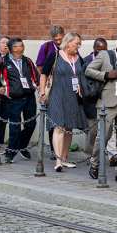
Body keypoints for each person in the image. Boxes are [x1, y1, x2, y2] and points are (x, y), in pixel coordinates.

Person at [85, 32, 117, 181]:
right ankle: (94, 164)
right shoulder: (105, 55)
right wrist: (107, 74)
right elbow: (89, 70)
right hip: (107, 102)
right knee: (103, 136)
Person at [39, 32, 89, 171]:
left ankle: (64, 159)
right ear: (68, 42)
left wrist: (80, 84)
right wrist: (42, 93)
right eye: (76, 43)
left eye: (79, 44)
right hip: (57, 95)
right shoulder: (54, 56)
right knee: (59, 127)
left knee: (68, 128)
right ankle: (58, 161)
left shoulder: (79, 59)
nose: (78, 46)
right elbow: (43, 74)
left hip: (73, 97)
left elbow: (82, 76)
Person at [0, 37, 39, 163]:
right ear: (14, 48)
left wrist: (39, 88)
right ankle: (10, 154)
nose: (23, 47)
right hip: (14, 99)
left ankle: (21, 145)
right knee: (15, 127)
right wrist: (0, 88)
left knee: (31, 124)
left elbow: (36, 77)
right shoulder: (3, 62)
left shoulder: (27, 61)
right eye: (21, 45)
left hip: (29, 97)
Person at [37, 25, 66, 160]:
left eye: (60, 39)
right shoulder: (46, 47)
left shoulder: (68, 46)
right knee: (52, 118)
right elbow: (39, 66)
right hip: (51, 86)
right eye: (56, 40)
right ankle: (54, 150)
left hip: (64, 87)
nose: (59, 42)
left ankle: (62, 150)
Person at [81, 38, 107, 166]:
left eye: (104, 50)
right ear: (93, 48)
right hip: (90, 99)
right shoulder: (85, 61)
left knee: (104, 130)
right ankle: (88, 155)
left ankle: (98, 156)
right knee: (92, 130)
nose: (101, 52)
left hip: (104, 98)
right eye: (99, 49)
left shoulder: (108, 60)